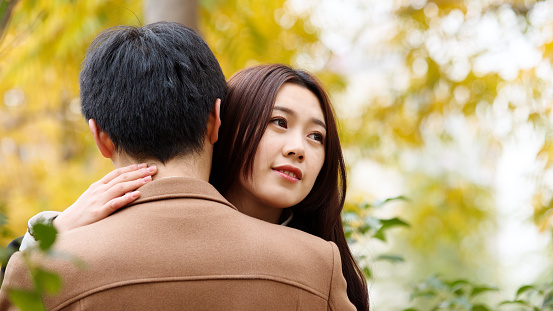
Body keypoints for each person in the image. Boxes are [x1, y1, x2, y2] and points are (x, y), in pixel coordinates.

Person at [0, 22, 355, 311]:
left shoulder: (42, 272)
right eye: (278, 122)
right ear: (217, 120)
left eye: (316, 136)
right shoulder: (317, 264)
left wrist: (51, 235)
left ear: (101, 138)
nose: (297, 149)